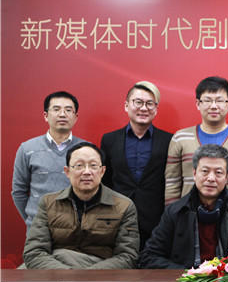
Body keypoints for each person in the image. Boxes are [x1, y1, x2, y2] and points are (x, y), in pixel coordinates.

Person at [140, 144, 228, 269]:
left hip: (227, 280)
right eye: (205, 171)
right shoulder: (175, 212)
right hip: (186, 280)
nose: (211, 178)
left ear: (226, 177)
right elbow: (149, 256)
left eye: (218, 173)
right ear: (194, 173)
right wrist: (188, 275)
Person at [23, 142, 139, 270]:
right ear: (67, 171)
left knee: (59, 256)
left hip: (101, 275)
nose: (87, 172)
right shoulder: (48, 203)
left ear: (102, 171)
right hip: (55, 273)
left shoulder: (124, 206)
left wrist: (86, 278)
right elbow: (34, 252)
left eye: (93, 166)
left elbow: (127, 256)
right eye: (79, 166)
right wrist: (67, 277)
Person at [165, 76, 228, 209]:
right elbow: (172, 184)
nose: (214, 106)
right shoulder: (180, 138)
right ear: (198, 104)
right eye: (208, 100)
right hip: (188, 216)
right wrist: (173, 215)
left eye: (219, 101)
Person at [100, 81, 173, 249]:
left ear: (156, 109)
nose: (144, 108)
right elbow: (105, 181)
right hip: (118, 219)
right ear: (126, 106)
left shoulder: (169, 140)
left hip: (156, 221)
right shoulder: (109, 140)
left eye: (150, 103)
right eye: (138, 102)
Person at [12, 91, 85, 232]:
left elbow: (93, 190)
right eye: (56, 109)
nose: (62, 114)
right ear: (46, 116)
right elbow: (19, 192)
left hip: (76, 230)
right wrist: (33, 220)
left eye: (68, 110)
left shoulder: (86, 149)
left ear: (75, 117)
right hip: (39, 230)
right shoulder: (27, 149)